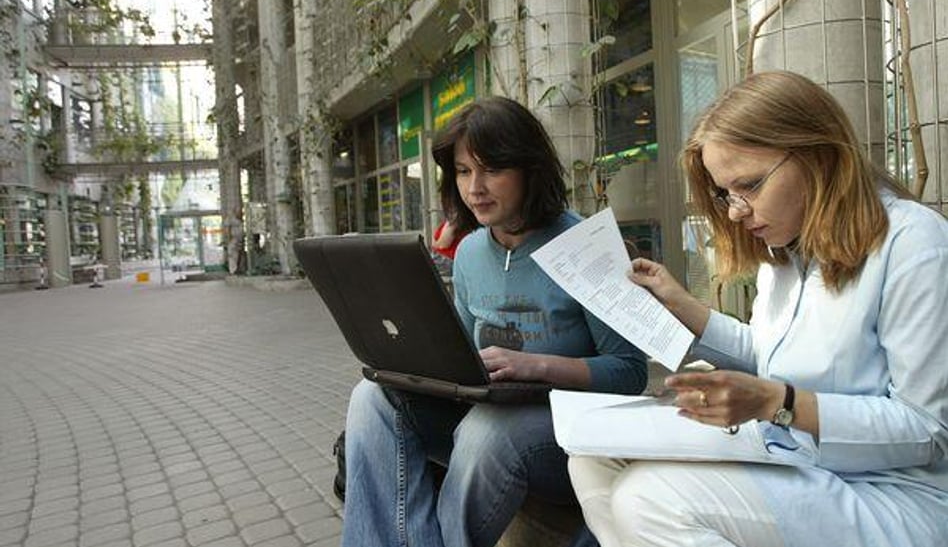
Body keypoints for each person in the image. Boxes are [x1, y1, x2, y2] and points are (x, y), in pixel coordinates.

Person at [568, 70, 948, 546]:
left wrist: (779, 403)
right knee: (591, 456)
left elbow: (929, 431)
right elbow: (770, 354)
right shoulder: (787, 252)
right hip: (795, 455)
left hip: (891, 492)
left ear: (819, 157)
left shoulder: (914, 244)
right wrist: (682, 305)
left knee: (647, 498)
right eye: (726, 193)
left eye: (749, 185)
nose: (734, 211)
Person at [341, 96, 648, 547]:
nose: (475, 187)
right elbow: (463, 360)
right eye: (464, 171)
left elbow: (629, 371)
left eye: (491, 169)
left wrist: (536, 366)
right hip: (484, 418)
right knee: (371, 396)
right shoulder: (468, 253)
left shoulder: (586, 245)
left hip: (567, 434)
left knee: (488, 431)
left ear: (529, 169)